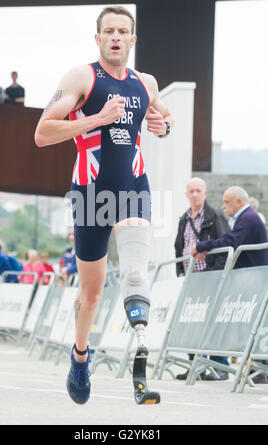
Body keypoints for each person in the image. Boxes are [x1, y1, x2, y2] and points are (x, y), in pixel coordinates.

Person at [35, 6, 174, 405]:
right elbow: (43, 133)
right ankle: (80, 355)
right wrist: (95, 119)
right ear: (97, 39)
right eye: (108, 31)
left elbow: (163, 119)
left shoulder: (145, 82)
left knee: (133, 271)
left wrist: (164, 126)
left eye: (122, 31)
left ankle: (141, 360)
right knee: (92, 294)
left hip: (133, 183)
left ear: (132, 40)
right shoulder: (81, 77)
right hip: (90, 191)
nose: (115, 36)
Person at [192, 186, 268, 384]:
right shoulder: (245, 218)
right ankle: (259, 368)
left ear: (239, 202)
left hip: (255, 279)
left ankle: (261, 368)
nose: (223, 206)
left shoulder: (248, 218)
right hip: (251, 278)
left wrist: (203, 246)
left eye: (227, 202)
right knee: (256, 323)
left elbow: (232, 241)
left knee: (257, 324)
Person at [174, 177, 230, 381]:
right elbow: (178, 246)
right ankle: (195, 366)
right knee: (192, 324)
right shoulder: (184, 219)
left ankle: (220, 367)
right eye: (192, 191)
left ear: (205, 193)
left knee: (212, 323)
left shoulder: (215, 215)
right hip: (190, 280)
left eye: (198, 191)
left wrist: (215, 272)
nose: (195, 194)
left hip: (211, 278)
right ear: (187, 194)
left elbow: (225, 246)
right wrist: (180, 272)